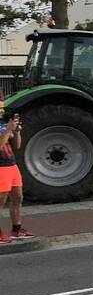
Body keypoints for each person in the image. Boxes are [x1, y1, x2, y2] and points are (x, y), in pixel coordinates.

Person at [0, 94, 32, 243]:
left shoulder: (3, 124)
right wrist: (8, 130)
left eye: (2, 108)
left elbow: (16, 146)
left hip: (12, 165)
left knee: (18, 198)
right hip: (1, 168)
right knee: (0, 201)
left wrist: (17, 131)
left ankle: (17, 229)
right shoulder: (4, 127)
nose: (2, 111)